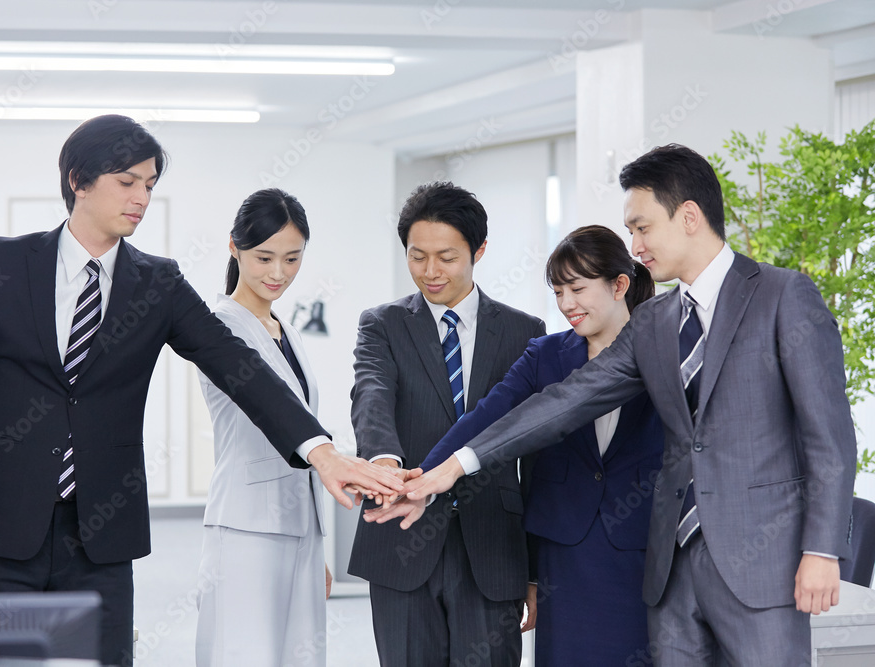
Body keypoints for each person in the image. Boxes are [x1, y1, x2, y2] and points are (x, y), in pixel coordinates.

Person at [0, 115, 402, 667]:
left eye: (150, 185)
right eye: (127, 182)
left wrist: (320, 451)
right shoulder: (0, 263)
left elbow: (238, 366)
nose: (141, 199)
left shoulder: (158, 283)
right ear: (79, 180)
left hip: (101, 535)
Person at [372, 144, 856, 666]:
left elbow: (828, 438)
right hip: (669, 569)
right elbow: (565, 402)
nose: (636, 245)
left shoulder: (783, 296)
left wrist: (822, 549)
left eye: (642, 228)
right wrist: (452, 468)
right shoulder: (654, 322)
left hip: (761, 560)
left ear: (689, 216)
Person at [386, 224, 663, 665]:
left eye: (577, 289)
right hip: (565, 550)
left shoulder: (664, 350)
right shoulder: (545, 355)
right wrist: (425, 479)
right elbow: (486, 417)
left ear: (619, 285)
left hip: (642, 544)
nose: (566, 304)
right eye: (558, 292)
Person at [347, 181, 546, 666]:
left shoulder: (524, 332)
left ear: (479, 250)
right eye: (417, 257)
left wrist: (537, 569)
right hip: (401, 538)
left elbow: (538, 454)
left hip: (493, 546)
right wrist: (384, 464)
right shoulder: (382, 324)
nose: (430, 271)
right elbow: (372, 395)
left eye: (446, 257)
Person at [194, 188, 331, 666]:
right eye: (264, 258)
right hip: (247, 524)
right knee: (244, 654)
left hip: (301, 524)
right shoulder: (218, 326)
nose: (278, 273)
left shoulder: (284, 328)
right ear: (234, 247)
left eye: (292, 259)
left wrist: (315, 546)